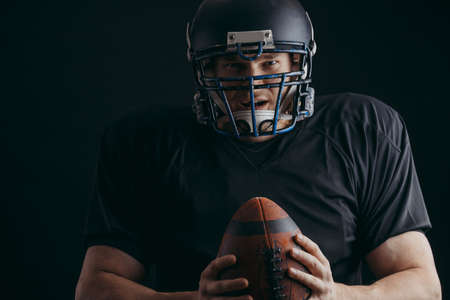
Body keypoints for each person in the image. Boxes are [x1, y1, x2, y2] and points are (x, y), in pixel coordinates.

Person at [75, 0, 441, 299]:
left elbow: (422, 286)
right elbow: (95, 287)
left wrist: (336, 297)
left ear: (298, 63)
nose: (253, 81)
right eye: (233, 65)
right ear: (206, 70)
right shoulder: (147, 144)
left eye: (269, 63)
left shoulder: (361, 130)